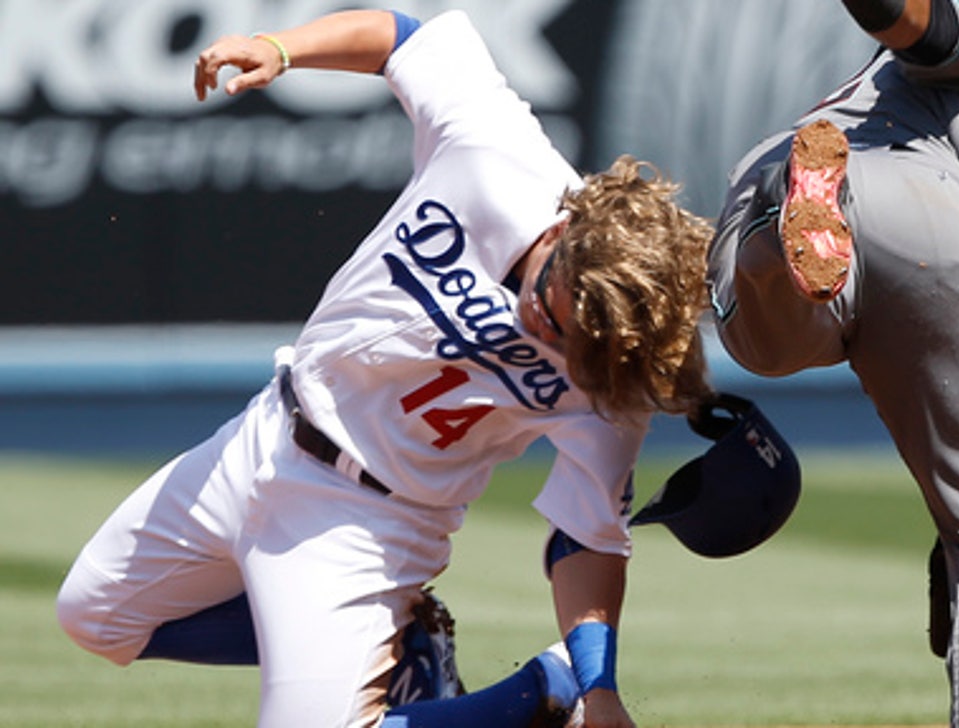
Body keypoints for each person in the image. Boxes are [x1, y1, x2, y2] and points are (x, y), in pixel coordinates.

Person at [56, 8, 715, 728]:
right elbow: (407, 39)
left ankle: (539, 690)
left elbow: (587, 537)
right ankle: (407, 650)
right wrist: (280, 49)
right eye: (553, 312)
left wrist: (598, 684)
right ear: (566, 229)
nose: (545, 333)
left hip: (368, 523)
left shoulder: (610, 374)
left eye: (570, 341)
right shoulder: (496, 151)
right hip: (266, 431)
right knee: (94, 615)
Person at [705, 0, 959, 725]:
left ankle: (781, 229)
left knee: (766, 348)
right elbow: (910, 16)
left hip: (791, 175)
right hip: (924, 212)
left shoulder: (877, 92)